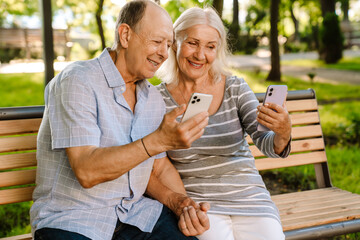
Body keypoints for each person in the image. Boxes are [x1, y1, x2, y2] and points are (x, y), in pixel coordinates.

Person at [30, 1, 210, 240]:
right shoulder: (77, 82)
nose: (164, 53)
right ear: (125, 35)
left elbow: (159, 166)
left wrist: (182, 204)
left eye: (168, 45)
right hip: (73, 220)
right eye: (157, 42)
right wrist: (157, 141)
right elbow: (86, 171)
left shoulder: (153, 99)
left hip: (134, 215)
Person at [156, 7, 292, 240]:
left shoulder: (235, 88)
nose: (201, 55)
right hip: (201, 205)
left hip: (250, 198)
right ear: (175, 42)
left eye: (210, 46)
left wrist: (283, 132)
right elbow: (154, 165)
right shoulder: (156, 101)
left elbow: (266, 143)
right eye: (193, 43)